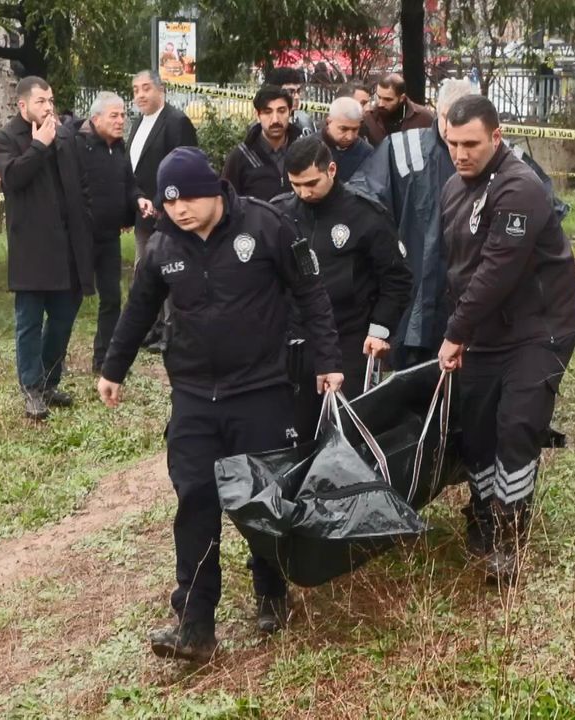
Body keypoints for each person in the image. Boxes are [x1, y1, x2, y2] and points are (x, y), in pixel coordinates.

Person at [96, 147, 343, 663]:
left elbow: (310, 293)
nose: (179, 209)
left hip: (261, 390)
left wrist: (327, 361)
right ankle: (195, 624)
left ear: (212, 188)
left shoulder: (267, 225)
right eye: (170, 202)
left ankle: (271, 591)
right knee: (196, 502)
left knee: (262, 498)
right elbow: (140, 307)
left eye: (187, 197)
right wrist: (112, 368)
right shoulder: (163, 244)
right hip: (193, 396)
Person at [437, 95, 575, 581]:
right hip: (486, 334)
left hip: (538, 330)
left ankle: (508, 540)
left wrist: (456, 332)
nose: (460, 153)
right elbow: (453, 270)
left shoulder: (520, 188)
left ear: (496, 137)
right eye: (452, 142)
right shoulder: (454, 190)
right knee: (476, 432)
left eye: (471, 143)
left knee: (516, 427)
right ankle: (484, 512)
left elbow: (498, 269)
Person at [273, 137, 413, 439]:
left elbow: (397, 279)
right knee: (294, 429)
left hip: (348, 339)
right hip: (294, 339)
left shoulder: (365, 214)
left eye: (311, 183)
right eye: (295, 185)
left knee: (344, 432)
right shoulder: (280, 213)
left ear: (331, 169)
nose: (303, 192)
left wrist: (380, 329)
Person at [349, 78, 475, 369]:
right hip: (413, 286)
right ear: (437, 111)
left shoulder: (496, 156)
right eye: (448, 118)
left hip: (470, 291)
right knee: (410, 384)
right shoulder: (402, 149)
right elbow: (362, 199)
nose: (454, 130)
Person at [0, 76, 95, 420]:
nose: (49, 108)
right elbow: (13, 179)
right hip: (33, 249)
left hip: (67, 246)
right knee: (29, 323)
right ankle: (32, 389)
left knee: (63, 319)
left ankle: (50, 382)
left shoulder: (64, 135)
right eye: (41, 102)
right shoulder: (6, 138)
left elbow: (80, 183)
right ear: (23, 105)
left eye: (51, 100)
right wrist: (38, 146)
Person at [74, 92, 155, 375]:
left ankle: (104, 359)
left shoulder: (119, 148)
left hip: (109, 238)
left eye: (123, 115)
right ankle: (53, 361)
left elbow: (129, 185)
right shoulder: (77, 147)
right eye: (115, 115)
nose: (122, 120)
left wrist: (139, 200)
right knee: (69, 300)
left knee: (111, 299)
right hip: (79, 239)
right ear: (96, 119)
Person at [128, 70, 199, 353]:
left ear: (161, 89)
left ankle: (172, 331)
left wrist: (160, 204)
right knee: (144, 271)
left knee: (171, 269)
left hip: (168, 212)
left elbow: (185, 166)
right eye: (135, 90)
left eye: (146, 88)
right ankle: (152, 327)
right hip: (141, 213)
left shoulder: (176, 121)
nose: (140, 95)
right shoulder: (137, 123)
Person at [222, 85, 295, 201]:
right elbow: (228, 204)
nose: (275, 119)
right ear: (257, 115)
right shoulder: (240, 157)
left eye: (281, 111)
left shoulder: (304, 151)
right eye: (267, 112)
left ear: (290, 112)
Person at [361, 73, 435, 146]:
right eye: (379, 97)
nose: (381, 104)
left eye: (388, 99)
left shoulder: (424, 117)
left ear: (401, 98)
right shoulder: (369, 118)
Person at [321, 96, 373, 181]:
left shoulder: (366, 153)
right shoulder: (310, 148)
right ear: (329, 122)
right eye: (343, 129)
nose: (350, 137)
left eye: (355, 129)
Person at [266, 66, 317, 136]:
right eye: (290, 92)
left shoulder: (306, 122)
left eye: (298, 91)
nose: (297, 97)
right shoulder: (261, 128)